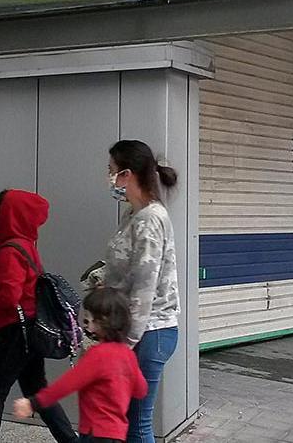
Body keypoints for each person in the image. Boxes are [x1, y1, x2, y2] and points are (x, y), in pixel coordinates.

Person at [0, 189, 77, 443]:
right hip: (31, 327)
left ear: (10, 213)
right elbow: (21, 286)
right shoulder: (26, 243)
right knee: (36, 389)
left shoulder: (8, 250)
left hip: (15, 331)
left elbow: (9, 296)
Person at [98, 140, 180, 443]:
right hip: (138, 331)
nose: (108, 177)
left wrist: (125, 343)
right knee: (128, 420)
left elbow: (144, 289)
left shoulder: (150, 220)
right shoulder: (133, 216)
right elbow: (127, 268)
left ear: (127, 174)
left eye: (111, 171)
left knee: (138, 423)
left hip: (149, 332)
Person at [13, 288, 147, 443]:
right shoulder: (127, 354)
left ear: (101, 320)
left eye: (89, 317)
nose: (86, 321)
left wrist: (33, 403)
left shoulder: (97, 355)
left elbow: (67, 384)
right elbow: (141, 390)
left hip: (94, 432)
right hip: (117, 434)